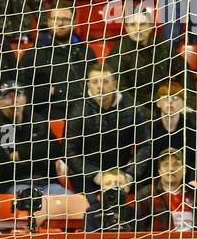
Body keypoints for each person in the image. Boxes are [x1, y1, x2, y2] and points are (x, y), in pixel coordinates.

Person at [65, 63, 151, 195]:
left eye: (105, 81)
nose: (100, 87)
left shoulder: (131, 106)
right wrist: (96, 175)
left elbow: (145, 145)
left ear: (115, 83)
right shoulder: (78, 110)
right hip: (87, 176)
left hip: (122, 173)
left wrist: (129, 175)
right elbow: (69, 150)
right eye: (95, 82)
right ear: (88, 85)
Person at [0, 80, 65, 196]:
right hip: (12, 185)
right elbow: (3, 162)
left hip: (46, 182)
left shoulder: (37, 120)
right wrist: (37, 151)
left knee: (69, 200)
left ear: (25, 99)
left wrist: (21, 153)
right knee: (36, 203)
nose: (14, 101)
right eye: (8, 97)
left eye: (18, 95)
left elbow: (55, 149)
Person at [17, 0, 91, 119]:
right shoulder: (34, 54)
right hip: (45, 119)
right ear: (48, 21)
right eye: (56, 19)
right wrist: (49, 91)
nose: (60, 23)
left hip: (83, 118)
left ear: (74, 22)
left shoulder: (85, 53)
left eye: (66, 19)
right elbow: (21, 92)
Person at [107, 10, 184, 105]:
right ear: (126, 28)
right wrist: (142, 113)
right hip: (133, 107)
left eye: (143, 24)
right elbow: (120, 90)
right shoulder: (118, 52)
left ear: (151, 27)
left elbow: (183, 69)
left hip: (162, 103)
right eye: (132, 25)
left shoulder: (162, 45)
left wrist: (188, 103)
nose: (138, 29)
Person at [147, 81, 197, 187]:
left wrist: (194, 179)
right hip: (154, 184)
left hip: (185, 183)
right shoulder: (149, 128)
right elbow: (146, 160)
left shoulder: (192, 129)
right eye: (165, 98)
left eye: (175, 98)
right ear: (158, 103)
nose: (170, 102)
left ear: (183, 103)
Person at [136, 148, 197, 232]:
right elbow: (137, 229)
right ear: (159, 170)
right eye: (166, 165)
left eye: (176, 164)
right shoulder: (146, 195)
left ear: (184, 170)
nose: (171, 169)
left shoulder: (194, 194)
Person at [83, 166, 138, 231]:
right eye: (108, 183)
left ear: (127, 188)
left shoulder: (133, 212)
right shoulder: (92, 212)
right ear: (101, 188)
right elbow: (89, 238)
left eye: (119, 183)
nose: (113, 187)